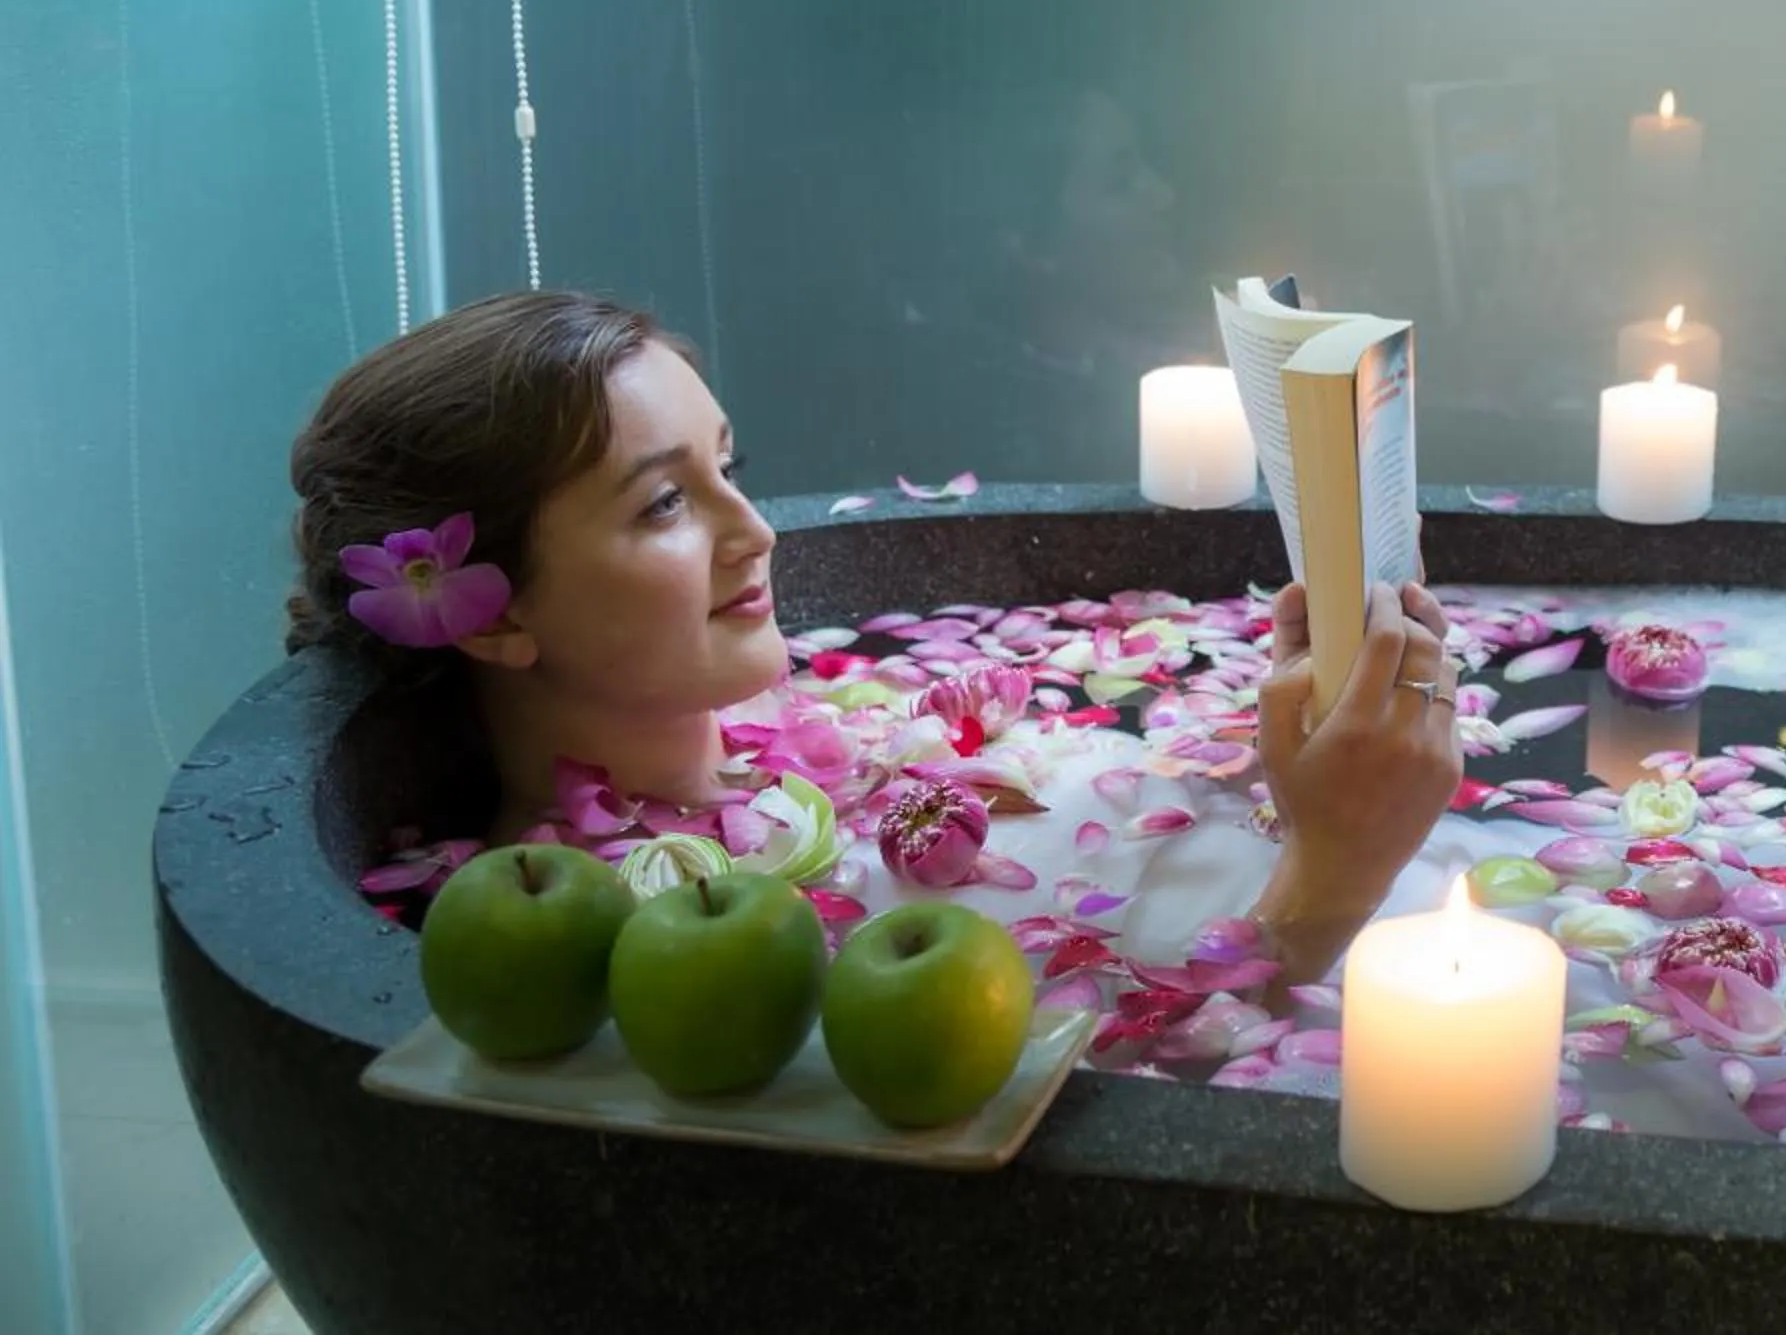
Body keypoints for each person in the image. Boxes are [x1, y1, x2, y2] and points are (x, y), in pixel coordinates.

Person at [289, 290, 1460, 986]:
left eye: (729, 467)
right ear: (495, 619)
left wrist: (1301, 768)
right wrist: (1337, 875)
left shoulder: (820, 744)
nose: (753, 531)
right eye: (661, 503)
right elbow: (1098, 1139)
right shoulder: (636, 951)